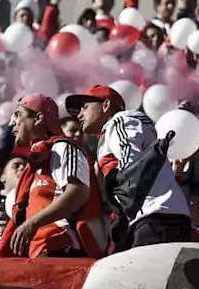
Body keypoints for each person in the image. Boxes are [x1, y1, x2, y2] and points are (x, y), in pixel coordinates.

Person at [67, 85, 192, 247]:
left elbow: (132, 166)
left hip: (155, 215)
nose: (80, 115)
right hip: (154, 216)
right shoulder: (107, 136)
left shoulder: (122, 121)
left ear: (105, 106)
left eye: (85, 107)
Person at [0, 94, 106, 258]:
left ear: (38, 118)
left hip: (63, 248)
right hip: (41, 254)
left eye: (18, 115)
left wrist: (32, 223)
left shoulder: (61, 147)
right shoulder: (35, 163)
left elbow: (77, 193)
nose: (12, 122)